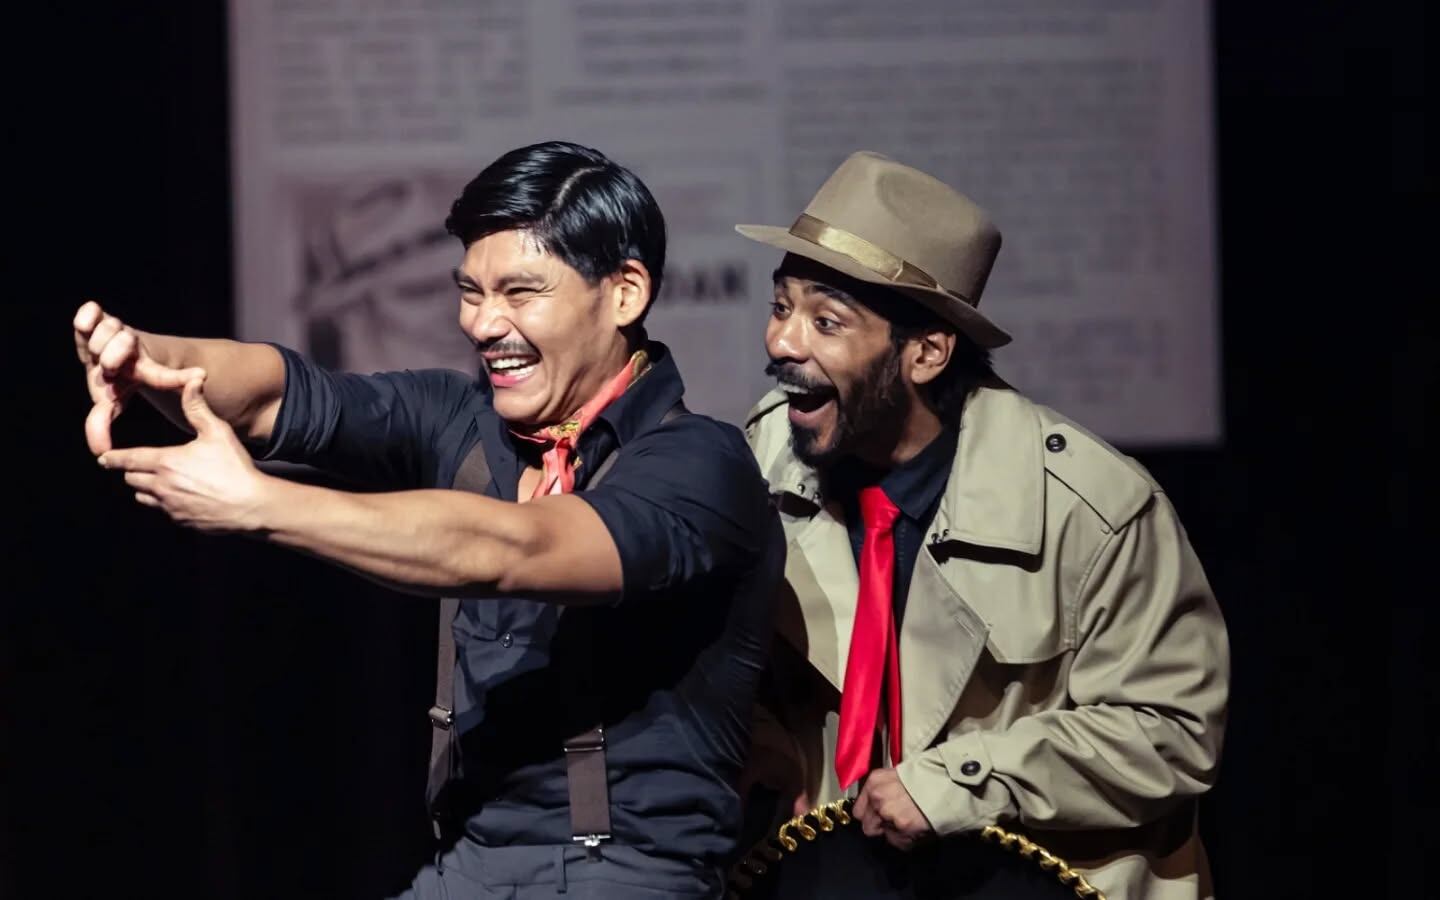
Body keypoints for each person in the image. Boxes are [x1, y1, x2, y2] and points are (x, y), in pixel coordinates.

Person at [73, 140, 783, 900]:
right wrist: (147, 358)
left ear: (625, 293)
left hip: (631, 874)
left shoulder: (698, 462)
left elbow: (515, 547)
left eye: (520, 292)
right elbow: (277, 394)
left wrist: (260, 505)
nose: (483, 324)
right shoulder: (459, 419)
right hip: (469, 864)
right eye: (470, 292)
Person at [735, 151, 1229, 898]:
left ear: (926, 352)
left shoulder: (1091, 508)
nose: (782, 343)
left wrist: (964, 780)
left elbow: (1172, 730)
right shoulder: (767, 456)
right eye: (781, 308)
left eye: (825, 321)